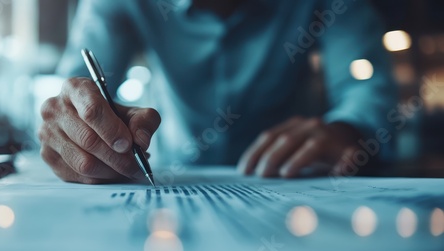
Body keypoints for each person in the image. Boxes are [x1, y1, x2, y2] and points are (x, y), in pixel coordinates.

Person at [38, 0, 396, 184]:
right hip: (173, 178)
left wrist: (348, 130)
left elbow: (368, 87)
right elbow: (71, 92)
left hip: (294, 181)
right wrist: (75, 127)